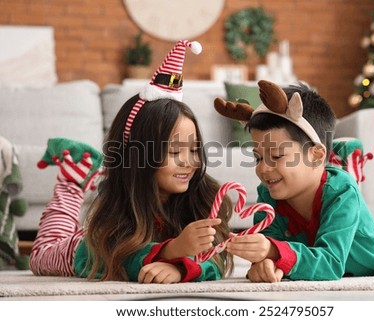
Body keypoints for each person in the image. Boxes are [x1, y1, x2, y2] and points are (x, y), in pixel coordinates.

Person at [29, 40, 234, 283]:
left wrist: (181, 269)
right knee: (42, 256)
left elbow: (217, 259)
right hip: (87, 250)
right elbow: (121, 259)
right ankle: (73, 173)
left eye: (193, 150)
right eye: (174, 152)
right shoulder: (116, 214)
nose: (189, 162)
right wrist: (172, 250)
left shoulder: (203, 200)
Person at [215, 80, 374, 282]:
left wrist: (273, 252)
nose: (263, 168)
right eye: (258, 157)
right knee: (347, 202)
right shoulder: (268, 194)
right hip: (351, 222)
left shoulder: (342, 193)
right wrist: (265, 263)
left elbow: (330, 264)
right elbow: (272, 245)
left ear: (317, 154)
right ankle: (345, 164)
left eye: (277, 156)